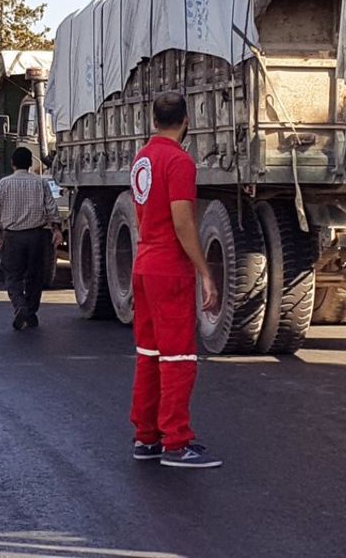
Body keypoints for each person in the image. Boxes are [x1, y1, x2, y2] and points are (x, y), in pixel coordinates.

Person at [128, 91, 222, 469]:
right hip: (169, 269)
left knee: (149, 356)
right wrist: (205, 271)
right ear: (187, 121)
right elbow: (183, 221)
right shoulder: (179, 161)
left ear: (153, 121)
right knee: (179, 357)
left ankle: (146, 436)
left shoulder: (142, 159)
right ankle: (176, 442)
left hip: (144, 264)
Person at [0, 146, 60, 331]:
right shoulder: (40, 183)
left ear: (12, 164)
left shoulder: (3, 184)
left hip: (13, 237)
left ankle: (21, 307)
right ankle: (31, 312)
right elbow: (51, 208)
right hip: (37, 236)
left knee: (13, 276)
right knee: (35, 276)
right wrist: (56, 228)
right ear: (31, 164)